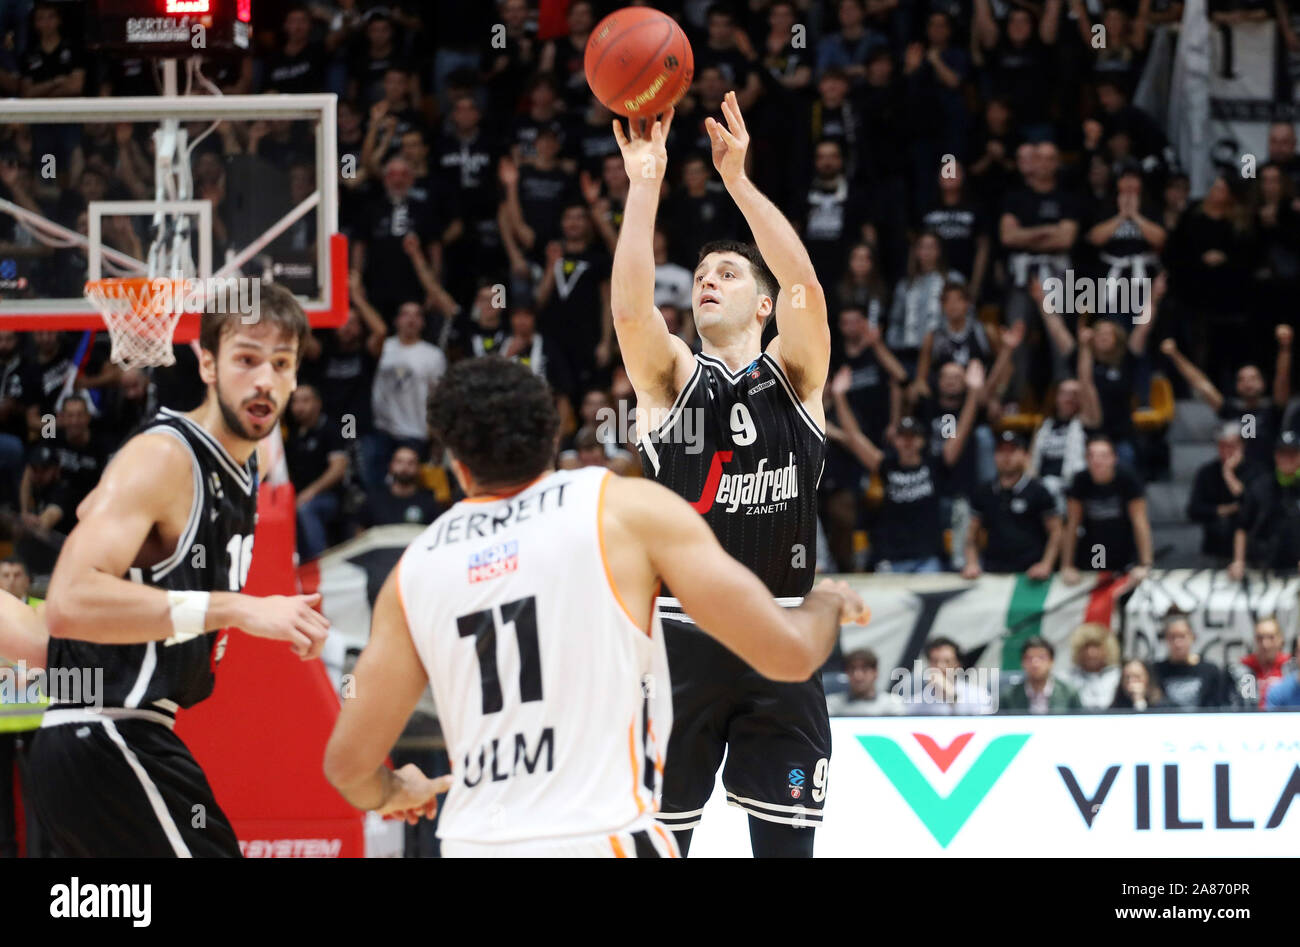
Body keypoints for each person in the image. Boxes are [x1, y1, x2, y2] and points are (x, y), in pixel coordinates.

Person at [322, 359, 869, 857]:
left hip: (476, 840)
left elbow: (347, 766)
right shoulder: (621, 510)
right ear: (552, 437)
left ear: (455, 463)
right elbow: (791, 655)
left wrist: (393, 789)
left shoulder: (416, 569)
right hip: (602, 834)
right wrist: (824, 602)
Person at [27, 284, 332, 857]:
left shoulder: (240, 471)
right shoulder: (166, 456)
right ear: (209, 363)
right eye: (246, 358)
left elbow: (75, 634)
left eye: (282, 364)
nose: (265, 379)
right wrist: (238, 608)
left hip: (99, 741)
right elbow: (69, 601)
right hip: (112, 738)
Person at [609, 94, 835, 857]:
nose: (708, 279)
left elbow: (808, 288)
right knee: (657, 845)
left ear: (764, 305)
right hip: (680, 640)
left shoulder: (797, 379)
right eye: (701, 273)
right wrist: (646, 183)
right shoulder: (673, 383)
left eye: (729, 272)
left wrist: (739, 181)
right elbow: (634, 314)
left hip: (781, 630)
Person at [1161, 325, 1292, 471]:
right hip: (1234, 473)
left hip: (1266, 477)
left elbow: (1282, 379)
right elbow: (1201, 385)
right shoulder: (1230, 409)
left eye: (1253, 378)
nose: (1248, 383)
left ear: (1263, 383)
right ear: (1236, 386)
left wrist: (1284, 348)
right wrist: (1174, 354)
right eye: (1242, 379)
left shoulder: (1273, 411)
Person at [963, 430, 1061, 578]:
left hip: (1030, 575)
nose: (1007, 456)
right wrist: (972, 563)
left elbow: (1056, 531)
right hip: (993, 572)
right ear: (994, 456)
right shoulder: (983, 492)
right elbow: (971, 535)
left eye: (1013, 450)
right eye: (1001, 451)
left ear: (1025, 455)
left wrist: (1046, 564)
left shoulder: (1038, 491)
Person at [1061, 435, 1153, 583]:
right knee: (1099, 580)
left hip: (1124, 542)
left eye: (1103, 456)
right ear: (1086, 459)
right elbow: (1072, 524)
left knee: (1130, 579)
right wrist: (1067, 566)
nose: (1097, 461)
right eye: (1092, 456)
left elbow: (1140, 521)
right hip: (1096, 545)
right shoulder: (1081, 481)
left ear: (1114, 458)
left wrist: (1146, 564)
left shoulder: (1128, 479)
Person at [286, 384, 349, 561]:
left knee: (306, 509)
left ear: (318, 403)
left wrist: (311, 492)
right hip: (297, 496)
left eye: (305, 400)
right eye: (295, 401)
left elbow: (338, 468)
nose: (299, 406)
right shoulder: (293, 434)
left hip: (330, 498)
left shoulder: (331, 429)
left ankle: (320, 563)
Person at [1229, 430, 1300, 579]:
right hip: (1262, 570)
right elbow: (1242, 526)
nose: (1287, 459)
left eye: (1292, 454)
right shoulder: (1261, 486)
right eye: (1283, 454)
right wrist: (1238, 561)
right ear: (1275, 456)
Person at [1186, 424, 1255, 564]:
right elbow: (1193, 510)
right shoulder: (1206, 472)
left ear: (1242, 446)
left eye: (1231, 446)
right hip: (1214, 548)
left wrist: (1228, 474)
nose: (1226, 451)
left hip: (1250, 551)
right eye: (1222, 446)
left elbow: (1250, 505)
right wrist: (1225, 509)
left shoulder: (1254, 471)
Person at [1152, 612, 1235, 709]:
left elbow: (1218, 706)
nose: (1177, 643)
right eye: (1172, 637)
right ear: (1166, 639)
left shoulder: (1210, 671)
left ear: (1192, 637)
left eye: (1182, 636)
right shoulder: (1156, 671)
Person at [359, 445, 443, 527]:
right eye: (399, 462)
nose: (405, 468)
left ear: (418, 469)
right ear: (391, 466)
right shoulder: (374, 499)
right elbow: (359, 529)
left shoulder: (429, 502)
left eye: (411, 463)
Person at [998, 637, 1083, 714]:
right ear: (1022, 663)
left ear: (1051, 662)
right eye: (1030, 658)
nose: (1035, 664)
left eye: (1041, 658)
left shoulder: (1069, 693)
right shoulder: (1008, 696)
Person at [1233, 616, 1293, 709]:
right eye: (1260, 638)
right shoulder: (1242, 669)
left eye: (1271, 637)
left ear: (1280, 639)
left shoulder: (1291, 667)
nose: (1265, 644)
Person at [1060, 622, 1121, 710]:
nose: (1091, 653)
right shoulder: (1065, 679)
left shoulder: (1118, 677)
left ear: (1108, 649)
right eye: (1086, 647)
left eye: (1096, 646)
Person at [826, 648, 904, 715]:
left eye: (864, 669)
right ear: (846, 673)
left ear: (875, 673)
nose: (858, 676)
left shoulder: (892, 704)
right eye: (852, 669)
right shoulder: (831, 704)